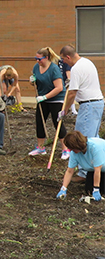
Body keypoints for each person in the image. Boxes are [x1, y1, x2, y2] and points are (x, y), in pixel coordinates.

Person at [59, 45, 104, 182]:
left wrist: (64, 110)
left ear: (68, 57)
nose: (64, 63)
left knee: (82, 139)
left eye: (63, 60)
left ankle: (84, 174)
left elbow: (72, 93)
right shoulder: (87, 62)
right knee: (93, 138)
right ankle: (94, 170)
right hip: (98, 103)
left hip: (88, 106)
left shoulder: (76, 68)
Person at [28, 47, 69, 159]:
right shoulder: (37, 67)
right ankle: (41, 148)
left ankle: (65, 149)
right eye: (36, 58)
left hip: (56, 99)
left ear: (46, 58)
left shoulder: (54, 69)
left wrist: (45, 97)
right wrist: (32, 81)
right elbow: (37, 82)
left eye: (39, 59)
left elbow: (59, 87)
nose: (37, 61)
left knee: (57, 123)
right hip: (42, 98)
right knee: (40, 121)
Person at [56, 131, 105, 201]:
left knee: (102, 190)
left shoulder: (95, 148)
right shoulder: (74, 153)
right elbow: (70, 171)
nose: (70, 150)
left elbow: (98, 170)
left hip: (100, 169)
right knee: (89, 190)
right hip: (93, 170)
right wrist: (63, 188)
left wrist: (96, 189)